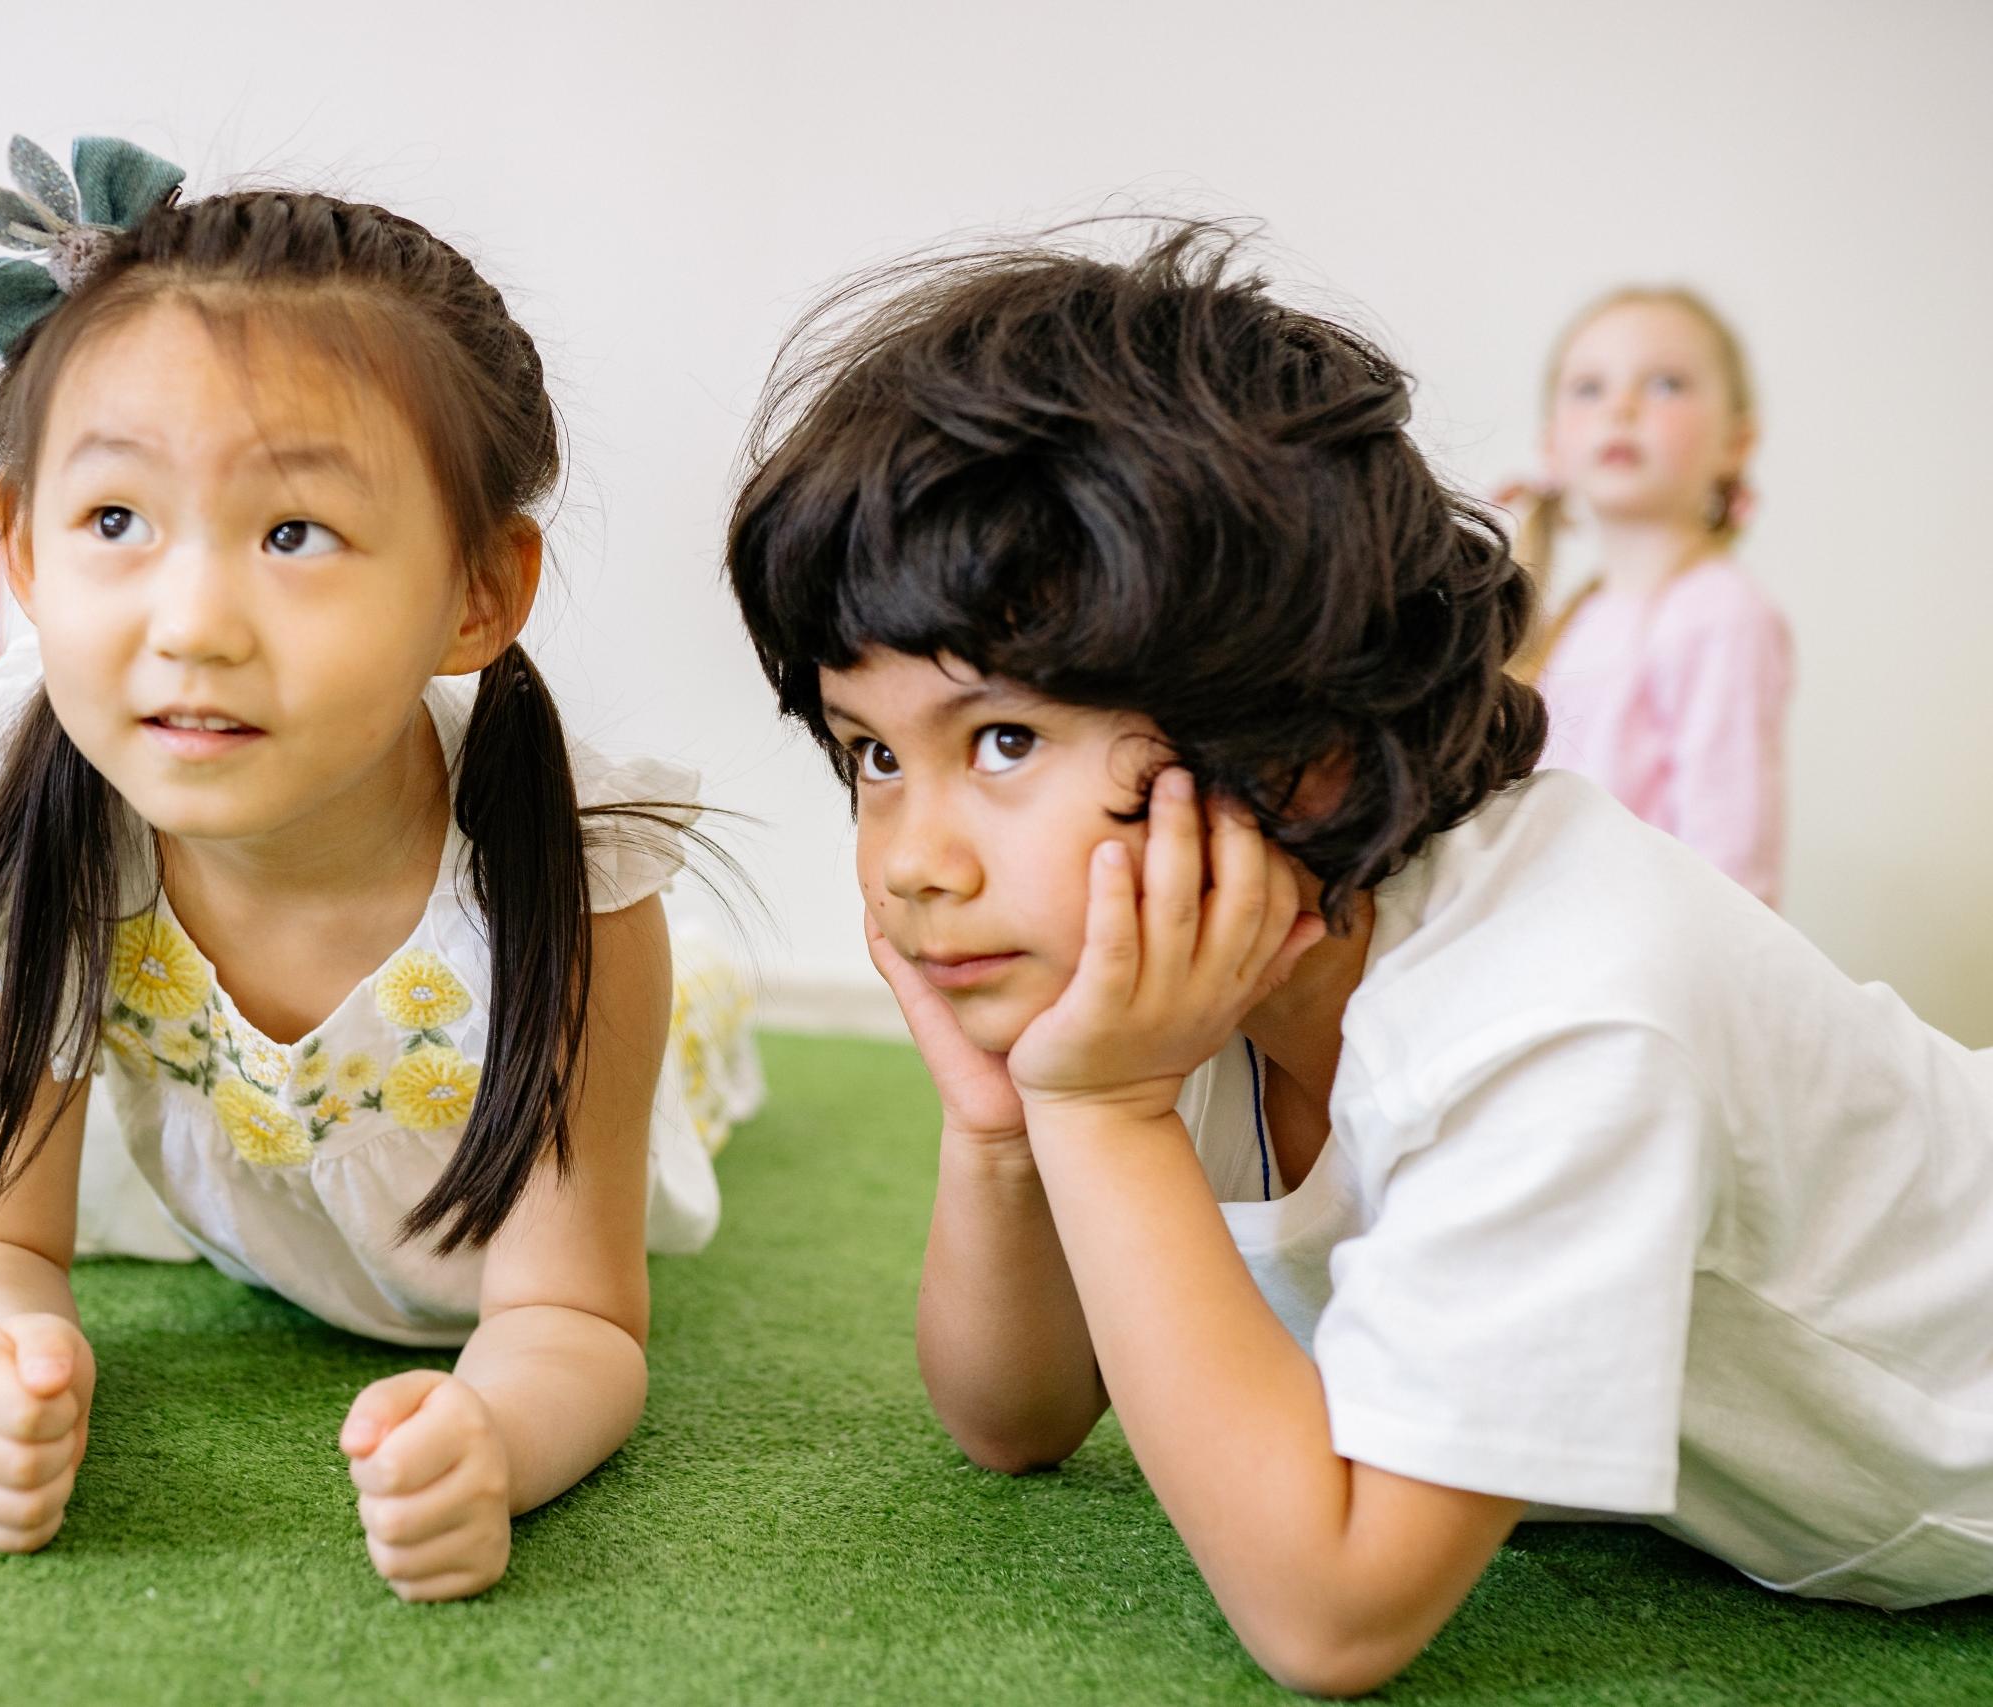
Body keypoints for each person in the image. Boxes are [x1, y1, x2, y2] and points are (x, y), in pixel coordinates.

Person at [724, 227, 1993, 1694]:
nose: (911, 857)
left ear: (1300, 747)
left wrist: (1105, 1115)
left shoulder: (1559, 1016)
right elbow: (1016, 1419)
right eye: (873, 752)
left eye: (1003, 740)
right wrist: (1009, 1130)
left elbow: (1333, 1611)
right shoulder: (1200, 955)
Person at [0, 138, 757, 1601]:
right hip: (249, 1179)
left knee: (705, 1038)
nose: (194, 620)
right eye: (115, 521)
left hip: (539, 1083)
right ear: (21, 547)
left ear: (480, 591)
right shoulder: (44, 808)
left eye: (294, 531)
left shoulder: (571, 883)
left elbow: (576, 1317)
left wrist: (497, 1433)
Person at [1505, 287, 1790, 904]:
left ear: (1736, 443)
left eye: (1665, 385)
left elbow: (1733, 859)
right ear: (1552, 446)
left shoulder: (1719, 612)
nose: (1622, 407)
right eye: (1589, 388)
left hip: (1648, 968)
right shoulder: (1571, 620)